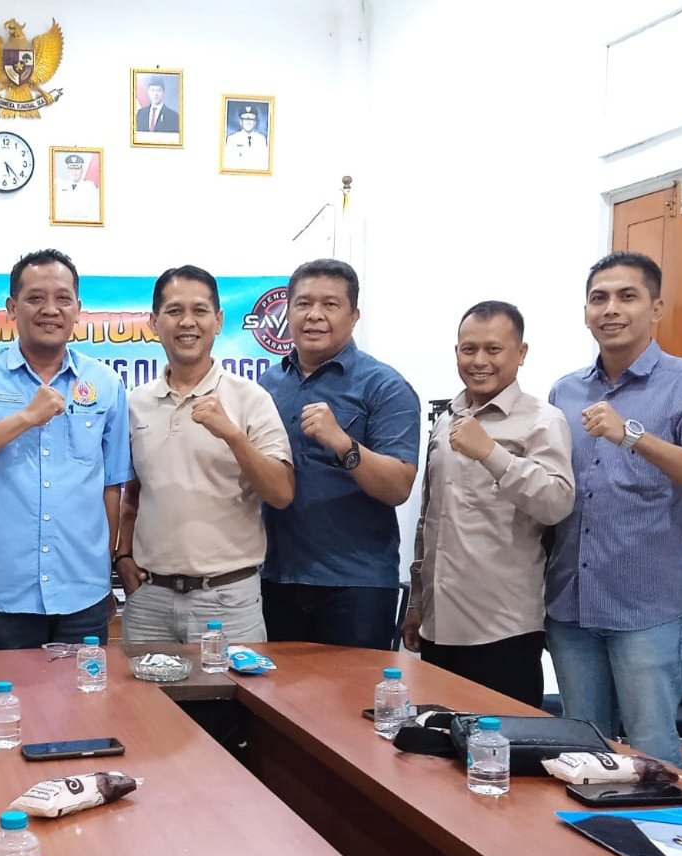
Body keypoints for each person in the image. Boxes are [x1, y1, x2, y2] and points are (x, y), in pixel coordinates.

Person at [545, 251, 682, 766]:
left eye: (627, 296)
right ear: (586, 311)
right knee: (583, 751)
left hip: (645, 608)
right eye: (599, 298)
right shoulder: (565, 390)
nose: (611, 309)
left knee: (652, 754)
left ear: (656, 308)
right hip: (570, 603)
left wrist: (631, 435)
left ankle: (659, 823)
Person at [0, 249, 132, 650]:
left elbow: (111, 486)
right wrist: (25, 417)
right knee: (8, 692)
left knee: (84, 693)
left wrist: (103, 572)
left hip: (83, 590)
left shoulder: (106, 383)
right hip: (5, 592)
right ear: (11, 308)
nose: (50, 309)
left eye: (62, 299)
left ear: (78, 309)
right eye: (35, 298)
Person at [402, 301, 574, 707]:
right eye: (469, 349)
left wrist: (491, 453)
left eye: (493, 349)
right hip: (439, 626)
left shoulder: (543, 420)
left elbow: (557, 503)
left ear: (521, 352)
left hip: (503, 629)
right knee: (437, 740)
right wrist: (417, 601)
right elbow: (431, 519)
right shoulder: (448, 419)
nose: (479, 361)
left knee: (502, 743)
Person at [115, 265, 293, 643]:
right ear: (154, 322)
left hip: (229, 601)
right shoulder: (135, 404)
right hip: (149, 601)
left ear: (218, 321)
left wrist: (233, 436)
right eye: (174, 311)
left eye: (199, 310)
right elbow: (132, 494)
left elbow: (281, 493)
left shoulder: (250, 398)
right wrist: (122, 556)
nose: (187, 322)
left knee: (233, 687)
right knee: (142, 687)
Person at [259, 258, 420, 650]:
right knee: (278, 690)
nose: (315, 315)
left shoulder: (385, 386)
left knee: (355, 691)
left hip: (357, 583)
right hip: (277, 577)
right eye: (303, 303)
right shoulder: (267, 385)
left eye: (330, 305)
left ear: (354, 316)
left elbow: (398, 486)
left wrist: (343, 443)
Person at [54, 153, 100, 223]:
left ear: (82, 170)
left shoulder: (90, 187)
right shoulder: (60, 185)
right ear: (68, 170)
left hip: (85, 222)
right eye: (72, 168)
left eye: (77, 168)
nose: (74, 172)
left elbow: (95, 211)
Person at [224, 105, 269, 170]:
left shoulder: (262, 139)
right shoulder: (231, 139)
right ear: (240, 121)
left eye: (251, 119)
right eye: (245, 119)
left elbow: (265, 163)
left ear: (255, 122)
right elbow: (228, 163)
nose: (248, 122)